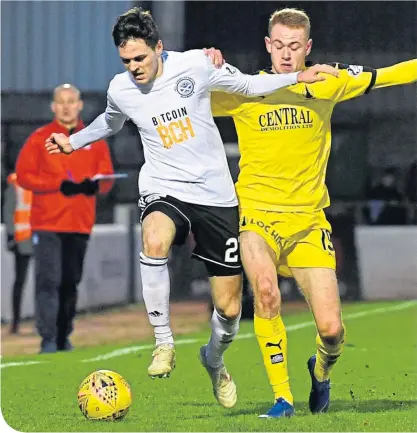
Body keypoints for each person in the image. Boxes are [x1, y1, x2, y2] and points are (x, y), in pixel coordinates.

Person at [44, 7, 337, 408]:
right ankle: (163, 342)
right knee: (155, 239)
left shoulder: (197, 65)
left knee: (229, 308)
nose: (134, 68)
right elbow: (111, 123)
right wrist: (73, 142)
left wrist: (295, 77)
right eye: (126, 61)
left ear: (159, 48)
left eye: (140, 58)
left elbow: (250, 86)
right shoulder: (121, 89)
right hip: (164, 188)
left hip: (216, 196)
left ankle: (214, 360)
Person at [207, 7, 417, 417]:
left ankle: (320, 373)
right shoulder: (243, 88)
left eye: (294, 47)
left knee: (332, 331)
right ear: (268, 45)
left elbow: (390, 74)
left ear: (308, 48)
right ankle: (282, 398)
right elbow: (178, 95)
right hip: (257, 215)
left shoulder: (327, 83)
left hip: (307, 223)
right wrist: (201, 63)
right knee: (265, 293)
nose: (286, 55)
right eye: (279, 46)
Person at [16, 83, 114, 354]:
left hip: (80, 223)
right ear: (54, 106)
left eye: (72, 101)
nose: (67, 106)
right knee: (49, 280)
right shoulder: (40, 138)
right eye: (62, 101)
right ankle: (47, 338)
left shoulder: (93, 139)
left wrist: (95, 186)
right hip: (47, 223)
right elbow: (24, 175)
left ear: (80, 105)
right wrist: (58, 184)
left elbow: (106, 176)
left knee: (71, 281)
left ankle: (63, 335)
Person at [3, 172, 33, 334]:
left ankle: (41, 321)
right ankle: (15, 323)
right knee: (20, 282)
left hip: (37, 237)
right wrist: (10, 236)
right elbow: (8, 211)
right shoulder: (16, 182)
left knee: (41, 282)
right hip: (24, 239)